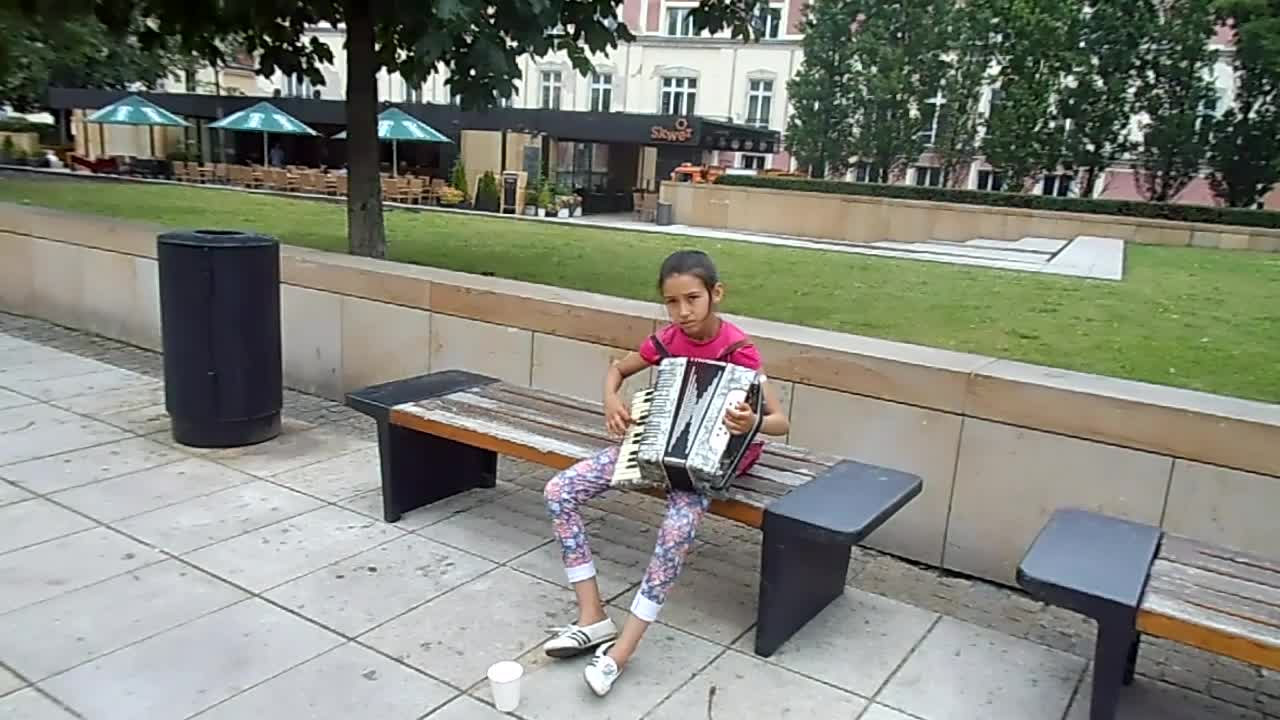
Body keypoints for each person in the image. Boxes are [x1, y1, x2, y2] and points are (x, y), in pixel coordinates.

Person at [541, 249, 790, 696]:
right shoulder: (669, 339)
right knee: (560, 490)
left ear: (716, 294)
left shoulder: (739, 350)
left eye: (692, 299)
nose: (682, 312)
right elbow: (617, 369)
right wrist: (611, 400)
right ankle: (592, 616)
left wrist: (749, 422)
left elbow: (778, 421)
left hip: (710, 464)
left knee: (675, 530)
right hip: (657, 449)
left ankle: (622, 651)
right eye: (672, 302)